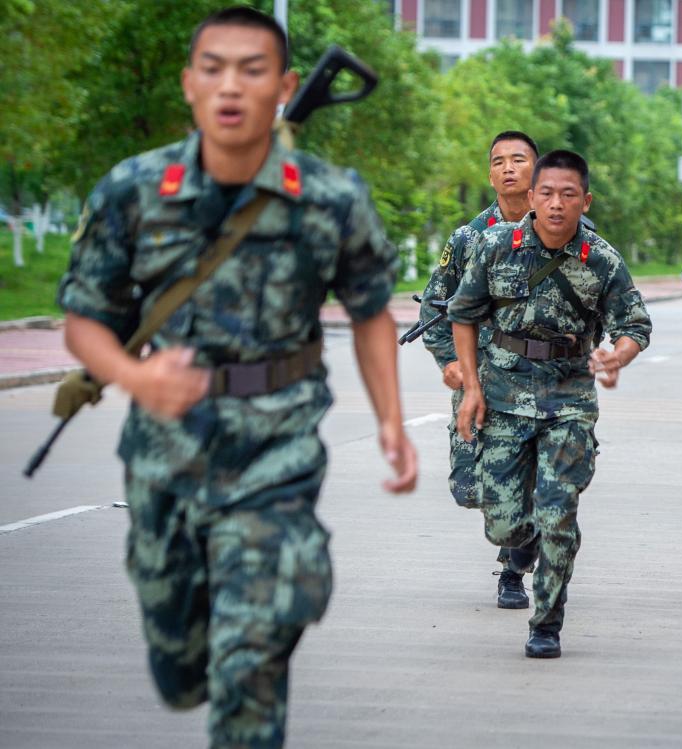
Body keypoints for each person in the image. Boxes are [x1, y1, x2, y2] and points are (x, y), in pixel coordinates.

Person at [55, 8, 417, 746]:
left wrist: (389, 419)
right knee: (184, 670)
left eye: (252, 70)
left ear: (283, 86)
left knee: (249, 658)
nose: (231, 86)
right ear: (189, 84)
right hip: (165, 458)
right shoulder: (132, 189)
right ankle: (191, 652)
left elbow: (373, 309)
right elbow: (83, 318)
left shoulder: (329, 198)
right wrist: (135, 375)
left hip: (276, 452)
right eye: (214, 68)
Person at [448, 150, 651, 658]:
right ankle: (523, 544)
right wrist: (471, 387)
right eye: (547, 193)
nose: (556, 205)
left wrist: (617, 356)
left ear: (585, 200)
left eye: (568, 195)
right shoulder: (496, 245)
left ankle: (546, 623)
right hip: (502, 394)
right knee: (505, 523)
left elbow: (635, 325)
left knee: (558, 513)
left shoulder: (601, 260)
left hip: (568, 397)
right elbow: (464, 314)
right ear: (532, 197)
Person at [419, 131, 542, 610]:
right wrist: (448, 360)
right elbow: (435, 304)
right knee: (470, 488)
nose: (508, 168)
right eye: (498, 161)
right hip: (479, 380)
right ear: (490, 174)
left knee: (528, 476)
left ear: (538, 169)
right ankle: (524, 533)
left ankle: (514, 570)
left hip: (540, 385)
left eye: (519, 159)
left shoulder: (563, 229)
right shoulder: (469, 237)